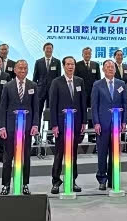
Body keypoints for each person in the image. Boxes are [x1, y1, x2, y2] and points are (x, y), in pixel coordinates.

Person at [0, 60, 40, 195]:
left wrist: (35, 124)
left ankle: (25, 184)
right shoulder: (8, 86)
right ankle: (6, 185)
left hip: (27, 128)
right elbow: (2, 108)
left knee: (25, 157)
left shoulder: (33, 85)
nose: (23, 70)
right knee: (8, 158)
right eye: (20, 68)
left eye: (25, 68)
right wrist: (2, 127)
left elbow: (36, 108)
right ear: (15, 70)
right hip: (11, 127)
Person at [49, 56, 85, 194]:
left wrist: (83, 121)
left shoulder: (79, 81)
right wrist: (54, 125)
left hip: (75, 123)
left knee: (73, 154)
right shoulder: (56, 82)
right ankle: (56, 181)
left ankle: (72, 180)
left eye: (72, 64)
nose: (70, 67)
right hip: (61, 124)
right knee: (59, 154)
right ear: (64, 66)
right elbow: (52, 105)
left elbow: (82, 103)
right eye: (68, 64)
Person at [91, 60, 127, 190]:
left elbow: (125, 104)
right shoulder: (97, 84)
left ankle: (113, 178)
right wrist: (96, 122)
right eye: (107, 66)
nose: (110, 68)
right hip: (102, 124)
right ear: (103, 69)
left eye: (112, 66)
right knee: (102, 153)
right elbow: (94, 105)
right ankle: (102, 179)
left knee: (115, 152)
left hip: (117, 124)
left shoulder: (121, 84)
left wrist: (124, 121)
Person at [33, 42, 60, 116]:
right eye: (47, 48)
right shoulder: (38, 62)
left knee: (51, 111)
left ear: (52, 50)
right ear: (43, 50)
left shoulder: (57, 62)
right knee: (38, 110)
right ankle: (37, 124)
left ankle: (51, 124)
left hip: (52, 90)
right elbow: (35, 77)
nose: (49, 50)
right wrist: (35, 89)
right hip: (40, 90)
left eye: (50, 48)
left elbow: (58, 78)